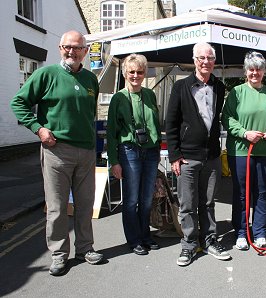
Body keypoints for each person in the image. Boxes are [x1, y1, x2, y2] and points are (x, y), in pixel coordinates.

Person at [10, 30, 103, 276]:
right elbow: (18, 102)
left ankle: (85, 248)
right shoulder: (46, 74)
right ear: (60, 48)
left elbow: (88, 115)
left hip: (86, 151)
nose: (71, 51)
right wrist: (38, 129)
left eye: (76, 47)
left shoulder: (91, 80)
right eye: (66, 47)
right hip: (56, 150)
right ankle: (59, 254)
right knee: (57, 207)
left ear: (85, 50)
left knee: (85, 205)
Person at [166, 42, 231, 266]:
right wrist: (174, 155)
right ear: (194, 60)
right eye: (201, 58)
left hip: (211, 156)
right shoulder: (181, 87)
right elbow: (171, 123)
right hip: (187, 157)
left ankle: (210, 240)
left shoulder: (219, 87)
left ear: (214, 61)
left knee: (208, 202)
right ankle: (189, 244)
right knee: (187, 203)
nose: (206, 62)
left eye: (210, 58)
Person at [221, 51, 266, 250]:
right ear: (245, 71)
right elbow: (227, 118)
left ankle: (259, 232)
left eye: (258, 69)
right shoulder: (237, 92)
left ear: (264, 71)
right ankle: (241, 231)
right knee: (242, 193)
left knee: (262, 192)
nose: (254, 72)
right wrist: (244, 132)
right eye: (251, 69)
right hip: (241, 151)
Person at [106, 54, 161, 255]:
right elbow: (111, 133)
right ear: (125, 73)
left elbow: (155, 124)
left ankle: (146, 235)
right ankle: (134, 239)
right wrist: (114, 161)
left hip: (151, 152)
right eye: (132, 72)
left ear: (145, 73)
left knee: (146, 199)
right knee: (131, 200)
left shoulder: (150, 95)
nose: (136, 75)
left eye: (139, 72)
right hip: (129, 151)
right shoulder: (118, 98)